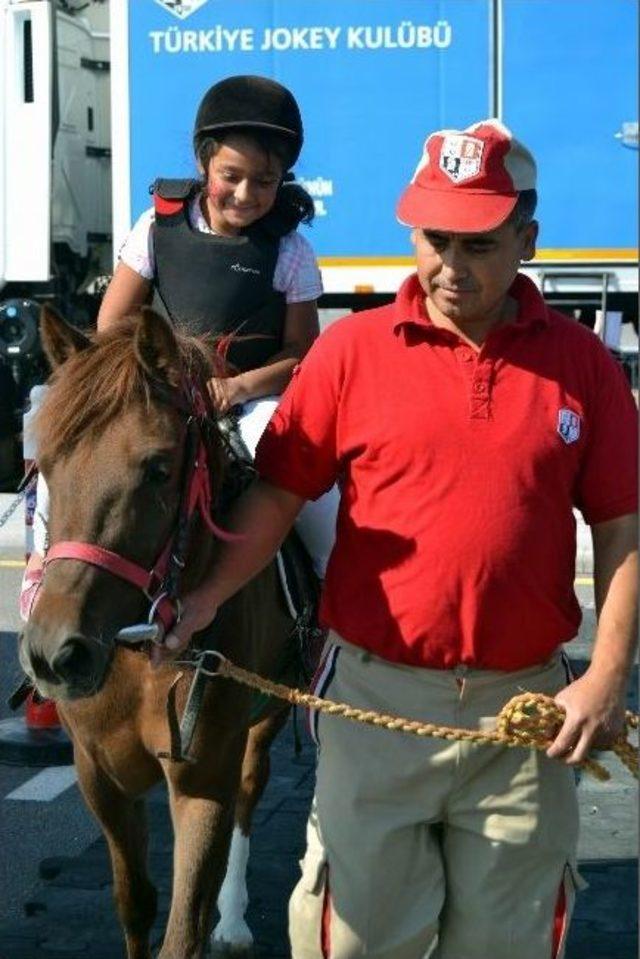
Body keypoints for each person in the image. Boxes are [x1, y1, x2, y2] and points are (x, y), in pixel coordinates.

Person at [147, 119, 639, 957]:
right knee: (359, 941)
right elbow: (276, 496)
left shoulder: (585, 367)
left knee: (507, 945)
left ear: (527, 238)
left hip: (524, 715)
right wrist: (200, 602)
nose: (452, 265)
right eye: (434, 238)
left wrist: (606, 675)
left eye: (479, 243)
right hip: (375, 705)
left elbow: (623, 529)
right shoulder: (350, 353)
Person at [21, 76, 338, 607]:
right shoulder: (156, 227)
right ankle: (42, 560)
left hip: (248, 398)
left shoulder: (290, 249)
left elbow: (301, 352)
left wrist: (236, 389)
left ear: (282, 178)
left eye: (264, 181)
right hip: (159, 389)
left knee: (311, 485)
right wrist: (149, 382)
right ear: (202, 162)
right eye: (231, 176)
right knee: (53, 421)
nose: (245, 194)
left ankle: (332, 591)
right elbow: (112, 325)